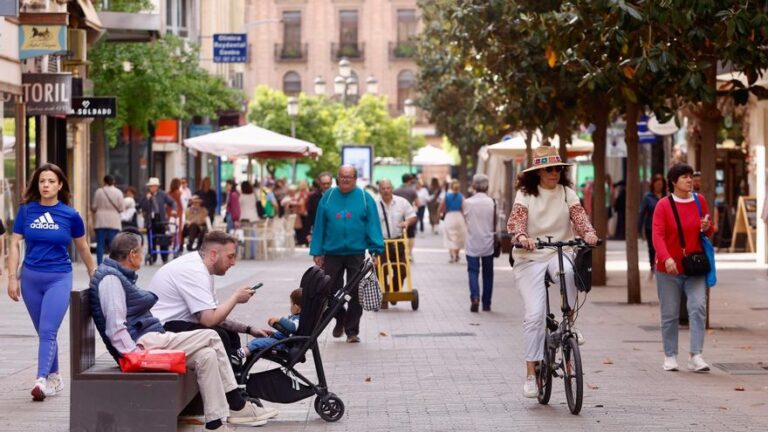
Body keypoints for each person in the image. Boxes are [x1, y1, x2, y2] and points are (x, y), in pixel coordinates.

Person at [90, 232, 278, 430]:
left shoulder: (117, 276)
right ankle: (238, 405)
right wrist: (134, 357)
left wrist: (248, 328)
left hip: (152, 337)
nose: (144, 256)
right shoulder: (111, 280)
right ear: (132, 254)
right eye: (142, 252)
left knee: (206, 356)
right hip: (142, 344)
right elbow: (115, 328)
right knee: (213, 336)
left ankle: (215, 423)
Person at [506, 146, 598, 398]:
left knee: (569, 272)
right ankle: (530, 373)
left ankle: (569, 322)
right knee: (534, 315)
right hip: (530, 257)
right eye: (549, 169)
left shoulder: (567, 192)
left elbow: (580, 217)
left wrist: (588, 233)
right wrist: (522, 236)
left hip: (559, 251)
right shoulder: (525, 194)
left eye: (558, 168)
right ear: (537, 172)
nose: (554, 173)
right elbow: (516, 221)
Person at [6, 163, 96, 401]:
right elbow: (15, 243)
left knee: (48, 330)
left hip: (59, 277)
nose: (45, 185)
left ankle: (40, 380)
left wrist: (93, 272)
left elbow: (82, 246)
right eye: (42, 181)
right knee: (44, 332)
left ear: (60, 185)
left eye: (50, 181)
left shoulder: (70, 215)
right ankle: (55, 376)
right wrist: (12, 277)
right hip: (30, 279)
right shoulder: (26, 211)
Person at [149, 231, 263, 361]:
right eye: (230, 257)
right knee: (219, 335)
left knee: (231, 334)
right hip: (161, 329)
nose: (233, 263)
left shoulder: (201, 268)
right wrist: (235, 297)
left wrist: (249, 329)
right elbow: (209, 319)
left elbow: (217, 317)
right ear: (213, 254)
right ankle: (226, 379)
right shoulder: (194, 271)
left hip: (174, 324)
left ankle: (234, 372)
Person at [309, 165, 384, 343]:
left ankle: (351, 331)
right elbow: (320, 225)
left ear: (355, 178)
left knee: (356, 292)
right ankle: (340, 317)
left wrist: (375, 249)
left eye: (348, 177)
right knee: (329, 291)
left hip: (356, 252)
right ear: (337, 178)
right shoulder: (328, 197)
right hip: (331, 253)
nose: (345, 180)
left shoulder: (366, 198)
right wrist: (317, 251)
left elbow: (373, 225)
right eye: (342, 177)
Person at [652, 163, 714, 373]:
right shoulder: (663, 205)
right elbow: (657, 235)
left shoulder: (700, 201)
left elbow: (709, 229)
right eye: (685, 177)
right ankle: (670, 356)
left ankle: (696, 355)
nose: (690, 180)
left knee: (698, 308)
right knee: (669, 313)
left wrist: (707, 227)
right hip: (667, 269)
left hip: (694, 267)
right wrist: (666, 257)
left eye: (691, 177)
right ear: (674, 181)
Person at [376, 179, 416, 294]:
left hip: (398, 241)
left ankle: (394, 290)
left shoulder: (401, 202)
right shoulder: (374, 204)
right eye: (383, 188)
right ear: (379, 190)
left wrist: (407, 223)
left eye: (388, 188)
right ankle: (385, 293)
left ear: (392, 188)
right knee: (380, 270)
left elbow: (412, 216)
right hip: (381, 242)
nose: (386, 191)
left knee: (402, 269)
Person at [236, 288, 302, 358]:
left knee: (260, 343)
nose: (290, 306)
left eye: (291, 303)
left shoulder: (298, 319)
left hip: (283, 344)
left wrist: (280, 320)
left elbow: (293, 327)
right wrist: (273, 331)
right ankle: (246, 351)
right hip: (280, 340)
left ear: (296, 307)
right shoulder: (295, 317)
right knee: (260, 340)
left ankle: (242, 352)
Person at [463, 174, 496, 312]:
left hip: (472, 241)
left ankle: (475, 297)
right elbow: (495, 223)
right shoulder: (492, 202)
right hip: (488, 241)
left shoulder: (468, 202)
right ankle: (486, 303)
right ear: (487, 186)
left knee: (472, 271)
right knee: (488, 274)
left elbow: (466, 219)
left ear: (474, 186)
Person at [139, 177, 177, 264]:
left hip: (161, 219)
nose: (152, 188)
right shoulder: (146, 195)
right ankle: (152, 257)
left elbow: (172, 202)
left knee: (163, 238)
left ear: (157, 186)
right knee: (151, 239)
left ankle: (164, 257)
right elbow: (142, 207)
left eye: (154, 186)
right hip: (150, 220)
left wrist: (174, 209)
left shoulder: (162, 194)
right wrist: (147, 199)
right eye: (151, 186)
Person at [91, 174, 125, 264]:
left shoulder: (98, 192)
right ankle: (113, 263)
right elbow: (121, 208)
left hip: (100, 220)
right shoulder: (118, 192)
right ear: (113, 181)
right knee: (113, 245)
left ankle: (99, 264)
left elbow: (94, 207)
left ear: (104, 181)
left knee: (100, 244)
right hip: (113, 221)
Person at [638, 174, 666, 280]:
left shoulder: (667, 196)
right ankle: (653, 267)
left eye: (661, 183)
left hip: (665, 227)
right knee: (652, 247)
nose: (659, 185)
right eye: (657, 183)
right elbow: (642, 212)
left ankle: (662, 266)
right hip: (651, 227)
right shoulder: (647, 197)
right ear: (653, 184)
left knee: (663, 247)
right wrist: (638, 228)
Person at [439, 179, 466, 263]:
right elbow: (463, 209)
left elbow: (441, 208)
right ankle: (457, 255)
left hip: (449, 216)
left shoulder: (446, 196)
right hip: (459, 217)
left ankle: (451, 255)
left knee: (449, 236)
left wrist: (441, 214)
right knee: (458, 237)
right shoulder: (461, 196)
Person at [393, 174, 419, 256]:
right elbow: (418, 203)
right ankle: (409, 253)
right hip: (409, 215)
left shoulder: (396, 190)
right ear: (409, 180)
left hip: (398, 215)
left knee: (399, 234)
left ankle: (402, 252)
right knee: (411, 234)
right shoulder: (412, 191)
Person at [306, 172, 333, 244]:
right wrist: (308, 233)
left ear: (331, 182)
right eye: (323, 184)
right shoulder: (313, 197)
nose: (326, 186)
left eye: (328, 183)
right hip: (318, 230)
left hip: (333, 231)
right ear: (319, 183)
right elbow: (310, 215)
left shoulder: (337, 195)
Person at [168, 178, 184, 250]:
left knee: (172, 231)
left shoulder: (168, 194)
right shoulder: (180, 193)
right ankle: (177, 246)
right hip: (179, 214)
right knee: (178, 231)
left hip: (170, 214)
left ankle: (173, 245)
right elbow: (183, 204)